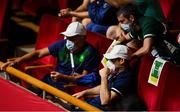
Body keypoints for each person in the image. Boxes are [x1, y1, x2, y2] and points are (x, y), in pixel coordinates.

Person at [0, 22, 100, 90]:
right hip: (55, 79)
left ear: (82, 38)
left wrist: (64, 77)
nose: (68, 41)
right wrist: (17, 61)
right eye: (67, 37)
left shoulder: (90, 52)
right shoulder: (62, 44)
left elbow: (84, 77)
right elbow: (38, 53)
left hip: (71, 84)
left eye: (72, 38)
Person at [73, 45, 137, 110]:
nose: (109, 62)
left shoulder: (127, 77)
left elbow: (105, 101)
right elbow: (104, 87)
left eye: (112, 60)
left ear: (121, 61)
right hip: (90, 105)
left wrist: (104, 76)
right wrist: (85, 92)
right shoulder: (117, 72)